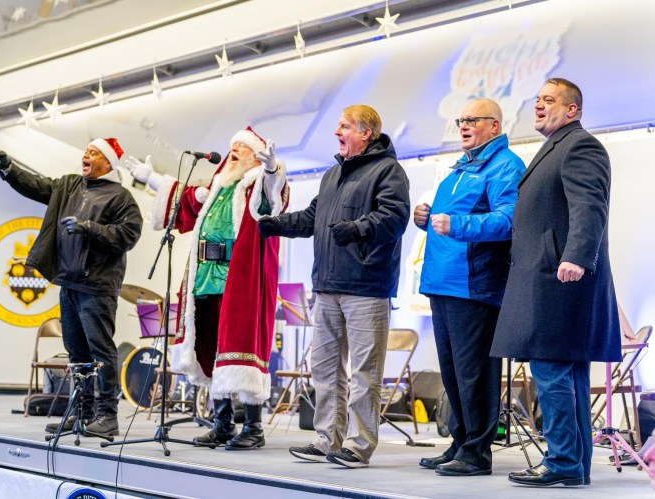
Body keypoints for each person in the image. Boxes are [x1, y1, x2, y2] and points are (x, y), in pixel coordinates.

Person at [258, 104, 410, 468]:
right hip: (326, 286)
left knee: (364, 373)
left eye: (344, 126)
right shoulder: (332, 175)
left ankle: (358, 446)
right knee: (325, 369)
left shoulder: (388, 171)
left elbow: (394, 217)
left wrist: (357, 229)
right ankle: (327, 439)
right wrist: (278, 224)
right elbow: (314, 217)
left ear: (365, 133)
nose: (336, 132)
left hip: (366, 286)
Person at [490, 78, 621, 486]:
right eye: (537, 100)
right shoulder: (555, 147)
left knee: (551, 369)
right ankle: (574, 465)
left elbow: (590, 207)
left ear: (572, 109)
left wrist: (577, 256)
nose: (539, 105)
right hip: (550, 277)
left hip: (559, 278)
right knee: (566, 372)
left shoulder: (580, 146)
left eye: (548, 100)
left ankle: (563, 461)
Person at [126, 127, 289, 450]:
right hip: (205, 279)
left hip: (239, 280)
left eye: (242, 147)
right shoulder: (217, 187)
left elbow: (274, 199)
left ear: (255, 156)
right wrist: (152, 178)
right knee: (211, 349)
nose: (235, 151)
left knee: (243, 347)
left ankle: (253, 427)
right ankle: (222, 423)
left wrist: (272, 169)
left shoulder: (254, 184)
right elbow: (185, 200)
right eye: (233, 146)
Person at [0, 138, 143, 437]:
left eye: (93, 153)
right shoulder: (69, 185)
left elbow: (129, 234)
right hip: (69, 281)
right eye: (86, 151)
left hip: (97, 286)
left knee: (101, 351)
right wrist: (9, 168)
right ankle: (82, 413)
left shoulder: (121, 197)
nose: (86, 155)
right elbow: (38, 186)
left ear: (108, 163)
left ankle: (107, 416)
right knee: (77, 353)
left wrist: (90, 228)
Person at [414, 98, 525, 477]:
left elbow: (509, 220)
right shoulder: (459, 169)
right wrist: (425, 218)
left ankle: (477, 452)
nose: (463, 125)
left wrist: (458, 224)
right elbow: (445, 221)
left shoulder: (505, 165)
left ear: (494, 125)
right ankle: (460, 442)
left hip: (473, 286)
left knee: (474, 373)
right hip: (442, 283)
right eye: (461, 120)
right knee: (452, 372)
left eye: (472, 120)